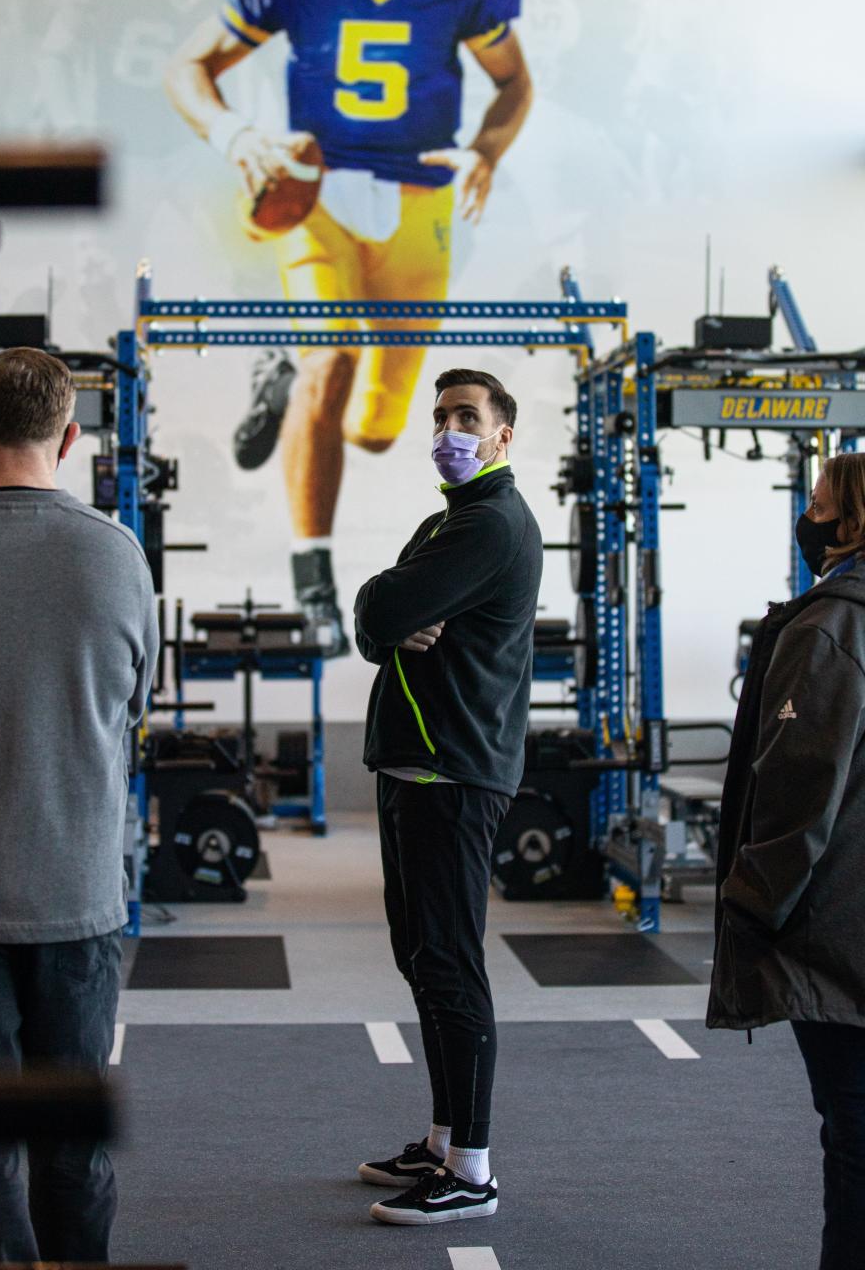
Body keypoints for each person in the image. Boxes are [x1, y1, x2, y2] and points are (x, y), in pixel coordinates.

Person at [164, 0, 533, 655]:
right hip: (318, 189)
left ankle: (287, 375)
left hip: (420, 200)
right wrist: (233, 137)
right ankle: (314, 577)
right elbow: (189, 67)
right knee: (327, 365)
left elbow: (512, 81)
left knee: (375, 426)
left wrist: (486, 148)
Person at [0, 347, 159, 1264]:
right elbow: (134, 706)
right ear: (72, 436)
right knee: (73, 1151)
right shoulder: (119, 557)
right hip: (78, 905)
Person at [353, 367, 542, 1225]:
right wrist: (384, 612)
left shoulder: (491, 526)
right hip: (414, 771)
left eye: (467, 416)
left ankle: (473, 1169)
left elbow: (388, 603)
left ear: (504, 434)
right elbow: (379, 616)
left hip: (452, 773)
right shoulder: (449, 521)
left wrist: (387, 608)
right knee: (422, 960)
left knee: (452, 966)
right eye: (441, 416)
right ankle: (440, 1139)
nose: (449, 429)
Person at [708, 452, 865, 1269]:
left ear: (848, 520)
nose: (807, 515)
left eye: (816, 502)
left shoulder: (832, 625)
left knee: (854, 1134)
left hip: (837, 933)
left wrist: (749, 900)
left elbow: (800, 785)